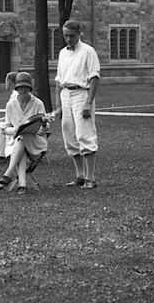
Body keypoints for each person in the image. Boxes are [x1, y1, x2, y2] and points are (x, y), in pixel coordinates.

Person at [51, 20, 100, 188]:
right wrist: (58, 106)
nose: (68, 39)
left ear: (79, 34)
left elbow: (94, 78)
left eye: (71, 36)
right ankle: (80, 175)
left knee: (84, 134)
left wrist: (88, 103)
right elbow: (58, 81)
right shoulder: (63, 53)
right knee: (69, 135)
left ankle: (90, 177)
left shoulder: (88, 51)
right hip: (66, 94)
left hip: (81, 94)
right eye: (65, 36)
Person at [0, 72, 49, 193]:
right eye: (20, 88)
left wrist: (43, 123)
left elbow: (44, 128)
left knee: (23, 137)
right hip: (16, 142)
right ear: (16, 89)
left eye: (26, 88)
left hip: (36, 142)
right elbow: (7, 127)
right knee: (21, 139)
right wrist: (15, 130)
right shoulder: (10, 105)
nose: (23, 90)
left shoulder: (38, 103)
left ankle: (8, 174)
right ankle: (22, 185)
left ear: (30, 89)